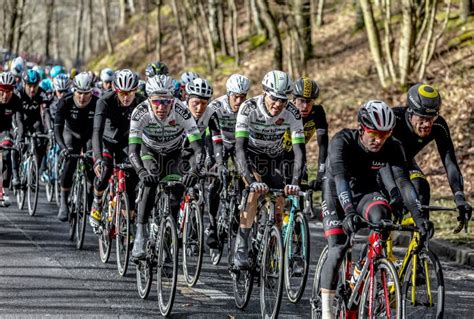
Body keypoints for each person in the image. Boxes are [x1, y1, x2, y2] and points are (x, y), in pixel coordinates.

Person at [319, 100, 432, 319]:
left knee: (382, 217)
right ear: (362, 128)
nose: (379, 140)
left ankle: (366, 269)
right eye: (374, 134)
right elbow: (341, 180)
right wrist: (350, 212)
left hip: (365, 191)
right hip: (336, 191)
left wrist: (419, 218)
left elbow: (404, 183)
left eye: (385, 134)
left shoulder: (392, 146)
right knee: (338, 247)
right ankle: (326, 312)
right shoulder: (342, 141)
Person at [233, 70, 305, 269]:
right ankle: (242, 244)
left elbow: (299, 151)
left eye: (283, 100)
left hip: (275, 156)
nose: (278, 104)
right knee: (254, 193)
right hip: (250, 154)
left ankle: (273, 243)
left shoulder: (292, 112)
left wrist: (295, 183)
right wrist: (250, 179)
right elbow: (239, 147)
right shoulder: (248, 108)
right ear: (265, 92)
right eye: (274, 98)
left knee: (280, 198)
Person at [128, 74, 205, 259]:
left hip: (173, 153)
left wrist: (194, 170)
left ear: (173, 100)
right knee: (150, 181)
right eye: (156, 102)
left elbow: (199, 149)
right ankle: (140, 234)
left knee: (176, 192)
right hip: (149, 151)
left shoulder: (182, 111)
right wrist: (140, 171)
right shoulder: (140, 112)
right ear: (149, 100)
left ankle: (168, 240)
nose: (161, 107)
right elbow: (133, 150)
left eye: (166, 101)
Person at [384, 83, 472, 227]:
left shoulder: (439, 126)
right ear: (410, 112)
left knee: (421, 186)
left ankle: (421, 245)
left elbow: (449, 161)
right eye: (422, 118)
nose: (427, 124)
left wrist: (459, 196)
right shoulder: (394, 120)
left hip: (405, 163)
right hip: (382, 166)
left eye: (431, 118)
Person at [89, 69, 144, 229]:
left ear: (136, 90)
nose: (126, 97)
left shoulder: (141, 102)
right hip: (107, 140)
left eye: (130, 93)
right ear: (116, 90)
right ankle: (97, 202)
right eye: (122, 93)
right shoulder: (105, 101)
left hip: (127, 143)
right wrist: (98, 158)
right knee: (105, 170)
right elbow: (96, 131)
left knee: (132, 177)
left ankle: (128, 222)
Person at [206, 74, 251, 247]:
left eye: (242, 97)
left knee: (243, 175)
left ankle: (237, 213)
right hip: (218, 142)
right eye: (235, 97)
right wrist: (217, 162)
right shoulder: (216, 106)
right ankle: (211, 225)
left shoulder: (249, 108)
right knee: (216, 179)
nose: (239, 101)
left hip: (239, 143)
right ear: (228, 94)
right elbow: (207, 132)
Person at [182, 77, 223, 248]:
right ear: (188, 99)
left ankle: (206, 223)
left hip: (196, 150)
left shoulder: (211, 114)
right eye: (196, 103)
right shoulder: (178, 110)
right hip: (176, 150)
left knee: (205, 177)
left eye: (204, 103)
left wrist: (220, 164)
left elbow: (217, 140)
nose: (200, 108)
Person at [55, 72, 97, 222]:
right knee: (70, 161)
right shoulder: (65, 102)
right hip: (70, 134)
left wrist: (97, 153)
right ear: (74, 91)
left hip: (89, 136)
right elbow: (57, 128)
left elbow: (100, 131)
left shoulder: (97, 103)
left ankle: (91, 200)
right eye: (79, 93)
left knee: (93, 166)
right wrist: (63, 148)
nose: (82, 97)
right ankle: (63, 203)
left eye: (86, 93)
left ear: (91, 92)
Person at [283, 77, 328, 190]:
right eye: (301, 101)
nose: (305, 106)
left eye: (309, 101)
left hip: (299, 155)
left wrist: (321, 174)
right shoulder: (285, 111)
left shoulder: (318, 112)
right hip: (277, 154)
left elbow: (323, 145)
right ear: (293, 99)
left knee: (302, 189)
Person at [0, 72, 23, 198]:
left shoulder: (16, 100)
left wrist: (20, 137)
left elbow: (19, 121)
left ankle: (5, 187)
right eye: (2, 91)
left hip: (5, 130)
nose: (5, 95)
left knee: (8, 150)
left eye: (9, 91)